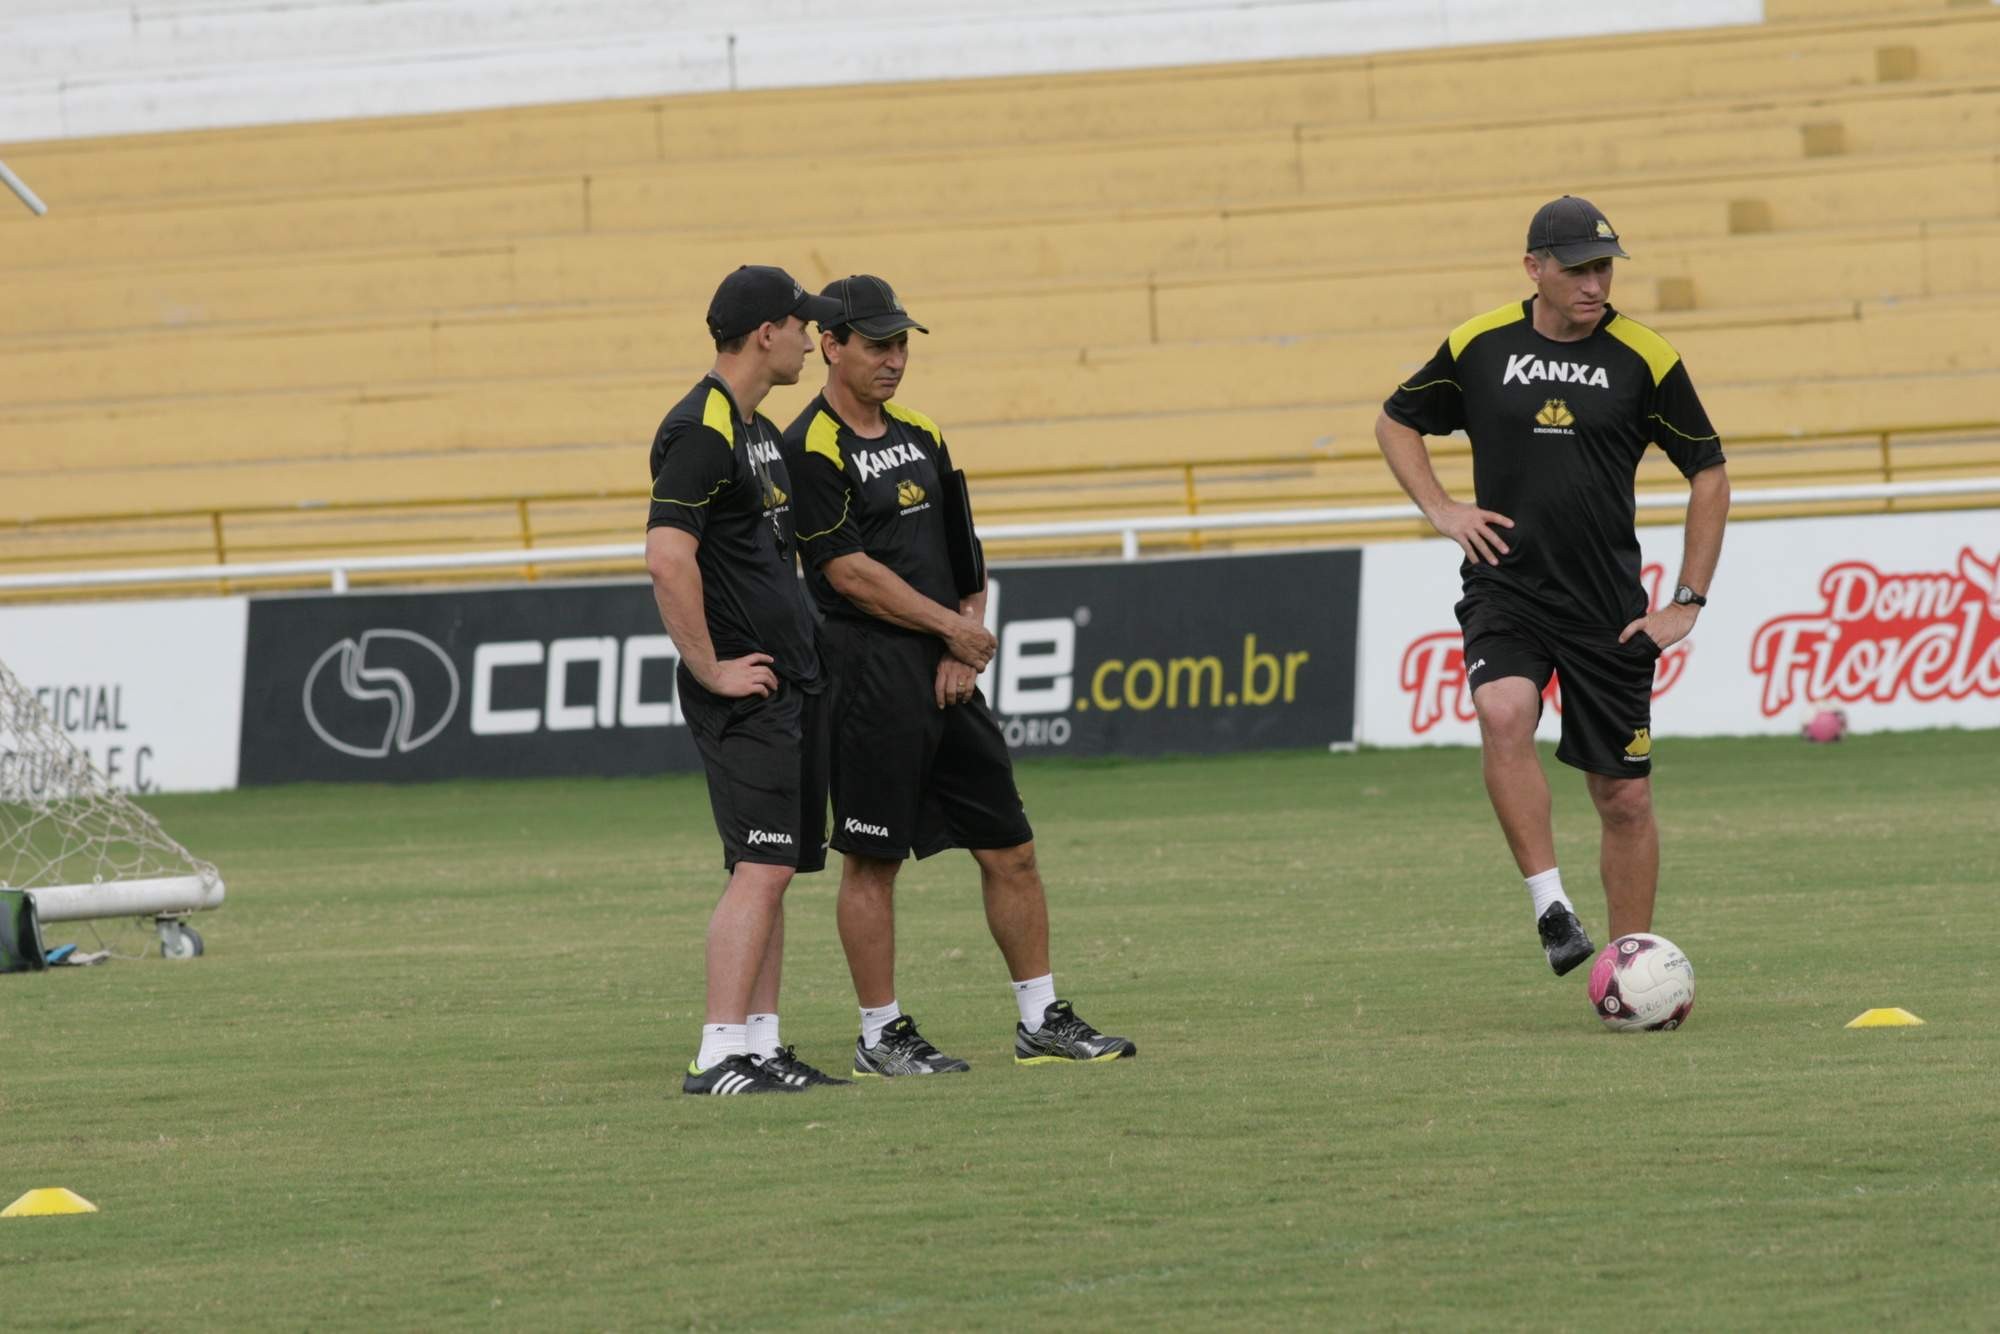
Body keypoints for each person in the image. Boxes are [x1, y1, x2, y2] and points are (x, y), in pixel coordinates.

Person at [781, 274, 1136, 1075]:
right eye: (877, 343)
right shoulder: (809, 447)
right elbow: (846, 573)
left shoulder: (923, 431)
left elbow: (966, 553)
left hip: (949, 670)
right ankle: (880, 1034)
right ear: (831, 346)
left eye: (902, 342)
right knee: (872, 859)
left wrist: (959, 640)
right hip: (868, 675)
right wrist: (953, 630)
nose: (895, 359)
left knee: (1011, 847)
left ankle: (1040, 1018)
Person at [1374, 197, 1731, 975]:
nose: (1594, 283)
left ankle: (1631, 967)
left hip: (1608, 608)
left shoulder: (1647, 357)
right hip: (1507, 587)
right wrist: (1442, 508)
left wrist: (1687, 602)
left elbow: (1709, 473)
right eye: (1576, 268)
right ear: (1534, 268)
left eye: (1603, 267)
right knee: (1503, 711)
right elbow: (1396, 421)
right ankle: (1552, 907)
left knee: (1624, 800)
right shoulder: (1477, 344)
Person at [646, 264, 847, 1094]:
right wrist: (709, 668)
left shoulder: (756, 429)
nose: (812, 339)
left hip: (788, 684)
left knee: (771, 874)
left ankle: (760, 1045)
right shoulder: (701, 428)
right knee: (759, 870)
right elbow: (667, 556)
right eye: (803, 325)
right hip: (747, 690)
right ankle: (719, 1052)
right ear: (767, 332)